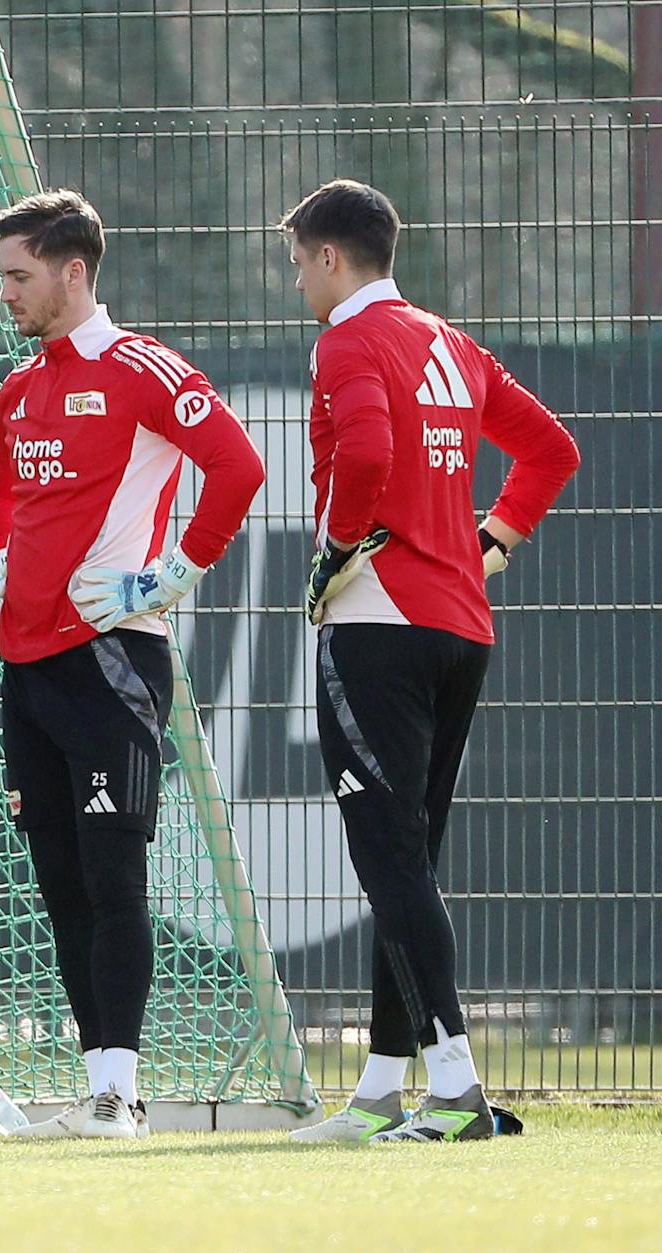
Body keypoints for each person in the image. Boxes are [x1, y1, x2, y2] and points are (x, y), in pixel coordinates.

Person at [279, 180, 579, 1144]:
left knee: (389, 858)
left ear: (331, 256)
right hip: (460, 627)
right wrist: (494, 539)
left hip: (378, 622)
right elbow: (552, 451)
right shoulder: (447, 339)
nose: (297, 280)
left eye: (298, 261)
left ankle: (454, 1092)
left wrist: (334, 553)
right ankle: (377, 1093)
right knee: (404, 859)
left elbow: (364, 452)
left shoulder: (349, 341)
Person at [0, 190, 265, 1139]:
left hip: (112, 664)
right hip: (28, 670)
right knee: (62, 883)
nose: (6, 292)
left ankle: (122, 1091)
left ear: (73, 270)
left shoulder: (142, 367)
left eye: (19, 275)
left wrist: (173, 571)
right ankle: (103, 1088)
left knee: (113, 880)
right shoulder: (20, 390)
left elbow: (239, 466)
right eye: (2, 275)